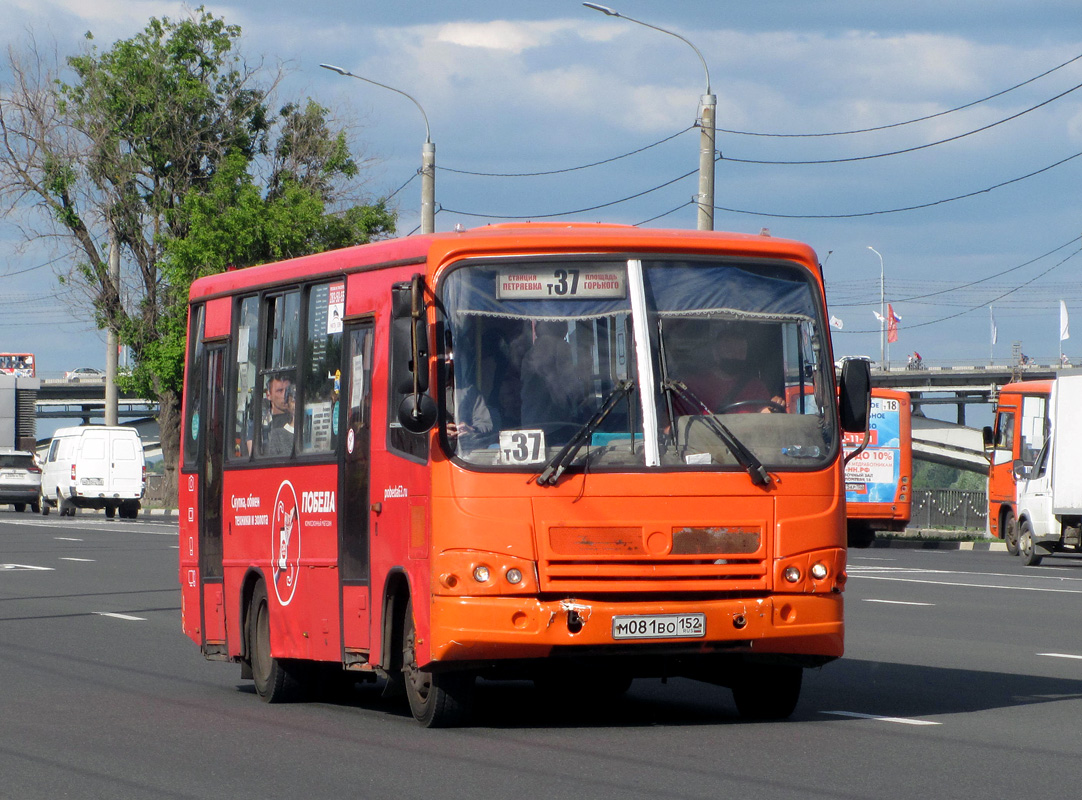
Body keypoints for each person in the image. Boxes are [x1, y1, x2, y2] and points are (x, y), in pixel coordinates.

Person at [675, 327, 784, 415]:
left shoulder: (756, 386)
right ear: (716, 353)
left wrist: (774, 407)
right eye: (730, 350)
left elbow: (765, 415)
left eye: (741, 351)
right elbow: (671, 427)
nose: (735, 356)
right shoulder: (693, 386)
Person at [264, 374, 295, 456]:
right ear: (268, 395)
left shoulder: (296, 420)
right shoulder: (263, 424)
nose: (285, 395)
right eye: (280, 391)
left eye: (288, 390)